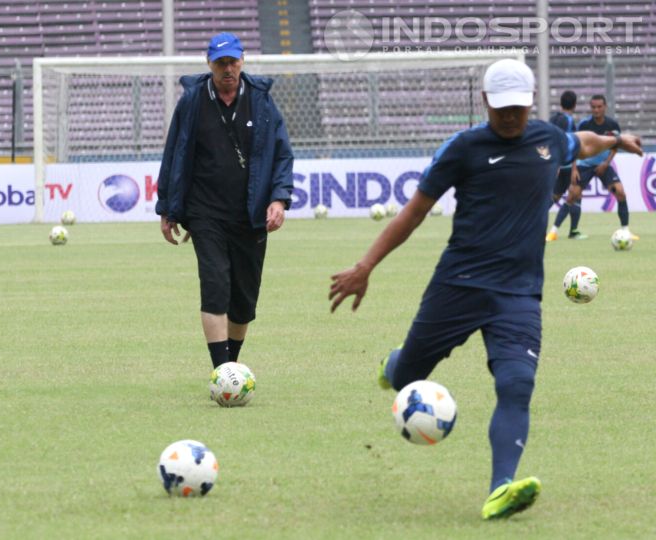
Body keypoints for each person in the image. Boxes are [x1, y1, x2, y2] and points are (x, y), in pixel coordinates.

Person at [327, 59, 642, 520]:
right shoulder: (464, 148)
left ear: (531, 102)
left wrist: (617, 141)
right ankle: (397, 362)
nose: (510, 116)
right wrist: (365, 266)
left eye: (517, 107)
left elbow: (584, 142)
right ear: (484, 103)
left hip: (518, 294)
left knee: (517, 384)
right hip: (459, 285)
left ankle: (501, 488)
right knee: (403, 377)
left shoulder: (549, 139)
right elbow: (413, 211)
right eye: (501, 109)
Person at [156, 32, 293, 369]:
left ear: (242, 61)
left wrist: (279, 199)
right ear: (209, 64)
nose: (227, 69)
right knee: (215, 284)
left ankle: (232, 363)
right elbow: (174, 152)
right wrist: (167, 208)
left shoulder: (261, 101)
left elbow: (281, 155)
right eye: (220, 63)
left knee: (244, 301)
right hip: (205, 214)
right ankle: (222, 371)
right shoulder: (191, 101)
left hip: (250, 213)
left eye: (232, 62)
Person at [565, 95, 638, 240]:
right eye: (593, 107)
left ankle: (625, 230)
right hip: (584, 165)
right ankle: (572, 231)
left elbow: (616, 145)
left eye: (599, 107)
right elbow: (574, 147)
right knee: (573, 195)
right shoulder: (584, 125)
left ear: (605, 107)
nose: (596, 110)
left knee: (621, 193)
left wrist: (606, 163)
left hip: (603, 166)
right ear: (590, 108)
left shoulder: (612, 124)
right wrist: (574, 169)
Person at [545, 90, 582, 241]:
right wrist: (573, 168)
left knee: (575, 194)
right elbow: (568, 144)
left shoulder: (552, 119)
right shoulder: (568, 121)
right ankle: (554, 231)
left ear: (561, 103)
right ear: (574, 105)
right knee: (567, 195)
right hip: (564, 166)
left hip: (553, 163)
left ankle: (573, 231)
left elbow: (549, 141)